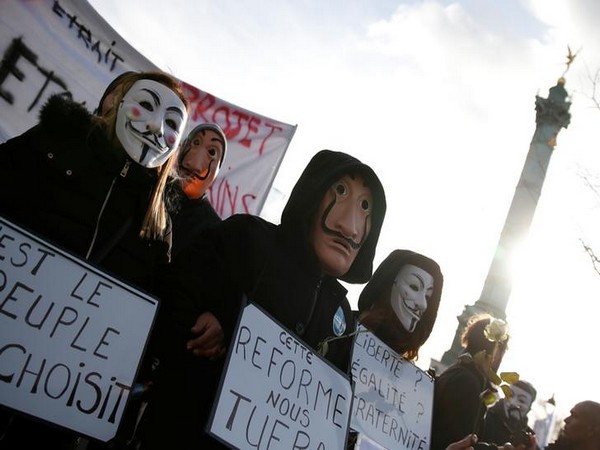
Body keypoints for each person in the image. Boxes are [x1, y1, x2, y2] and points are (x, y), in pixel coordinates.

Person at [137, 149, 387, 450]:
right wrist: (207, 322)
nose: (351, 226)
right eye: (341, 191)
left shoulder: (342, 314)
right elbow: (173, 289)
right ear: (313, 192)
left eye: (365, 207)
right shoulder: (247, 238)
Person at [0, 71, 190, 449]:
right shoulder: (53, 145)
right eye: (147, 105)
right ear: (116, 102)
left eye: (172, 124)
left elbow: (151, 313)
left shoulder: (159, 222)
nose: (156, 127)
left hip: (55, 404)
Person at [431, 314, 525, 450]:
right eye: (502, 350)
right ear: (495, 349)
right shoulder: (468, 383)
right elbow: (458, 442)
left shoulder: (459, 373)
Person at [357, 249, 443, 361]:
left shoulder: (410, 375)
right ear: (387, 286)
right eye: (414, 287)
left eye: (427, 297)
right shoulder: (342, 327)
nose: (423, 304)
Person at [482, 380, 538, 447]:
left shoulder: (529, 437)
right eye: (510, 395)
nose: (512, 403)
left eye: (521, 400)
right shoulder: (485, 418)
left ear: (529, 408)